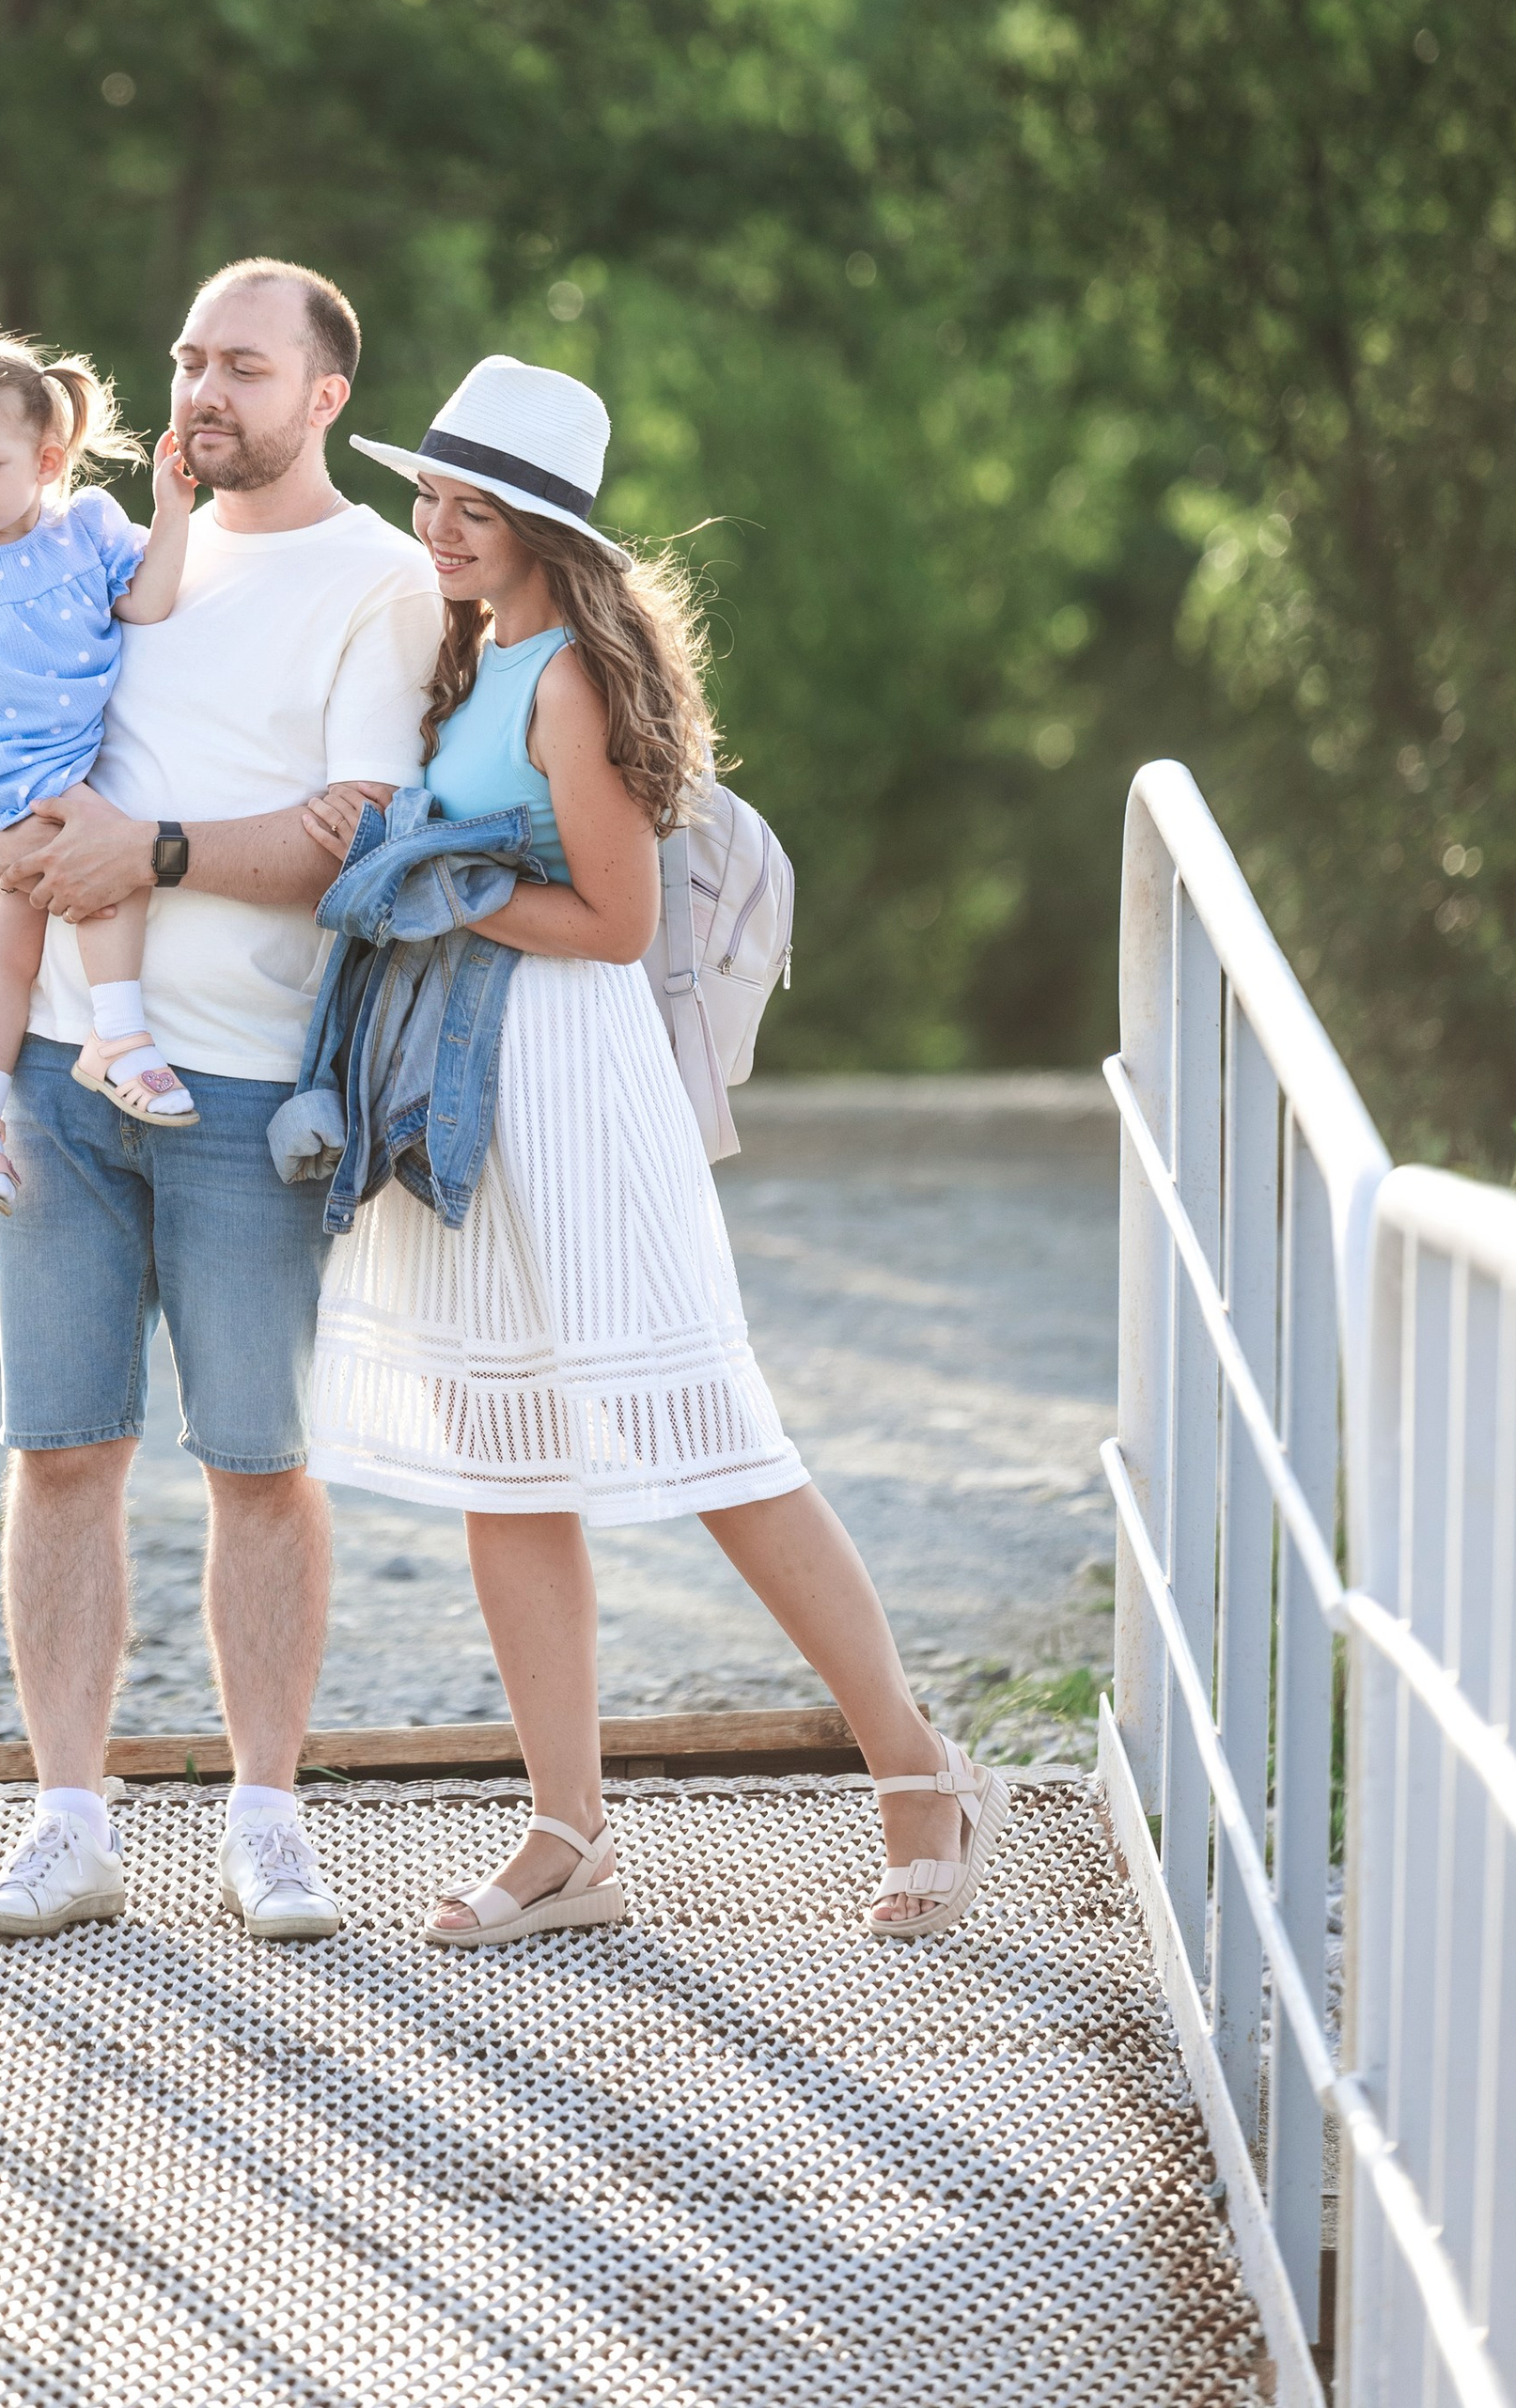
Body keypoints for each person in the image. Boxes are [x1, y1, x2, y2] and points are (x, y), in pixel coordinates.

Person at [306, 354, 1012, 1947]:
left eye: (470, 506)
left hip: (572, 1075)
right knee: (505, 1452)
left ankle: (917, 1771)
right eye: (428, 495)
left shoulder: (569, 681)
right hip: (472, 1085)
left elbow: (615, 923)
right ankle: (569, 1837)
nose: (437, 525)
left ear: (545, 527)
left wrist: (440, 884)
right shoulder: (476, 658)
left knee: (713, 1434)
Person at [0, 263, 442, 1944]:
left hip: (240, 1080)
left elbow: (356, 828)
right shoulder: (91, 540)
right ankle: (69, 1824)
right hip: (62, 1068)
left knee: (256, 1459)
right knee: (59, 1447)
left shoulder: (379, 579)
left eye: (243, 366)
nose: (204, 390)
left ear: (325, 397)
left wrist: (140, 853)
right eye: (187, 361)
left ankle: (269, 1823)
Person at [0, 323, 203, 1197]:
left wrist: (173, 515)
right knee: (115, 862)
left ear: (48, 460)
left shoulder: (87, 529)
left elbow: (148, 602)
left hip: (52, 765)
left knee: (9, 949)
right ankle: (118, 1035)